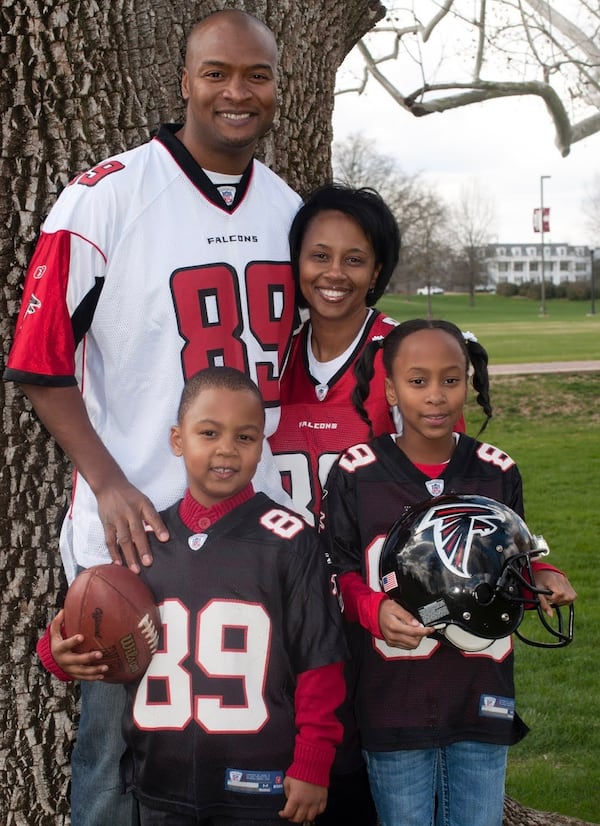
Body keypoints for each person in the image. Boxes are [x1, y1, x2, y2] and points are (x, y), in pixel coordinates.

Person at [4, 10, 300, 824]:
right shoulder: (105, 196)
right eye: (216, 73)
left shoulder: (288, 209)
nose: (237, 93)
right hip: (135, 536)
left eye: (257, 76)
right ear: (183, 82)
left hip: (248, 534)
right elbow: (38, 359)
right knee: (115, 756)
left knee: (244, 760)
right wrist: (106, 482)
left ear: (278, 86)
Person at [37, 367, 348, 826]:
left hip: (261, 787)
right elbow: (92, 623)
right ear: (177, 440)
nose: (227, 449)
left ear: (261, 445)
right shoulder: (143, 541)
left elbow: (321, 662)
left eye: (245, 437)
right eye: (209, 433)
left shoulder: (289, 540)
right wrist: (56, 653)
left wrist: (313, 761)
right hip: (162, 786)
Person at [321, 318, 577, 826]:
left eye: (451, 379)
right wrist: (373, 609)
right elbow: (337, 571)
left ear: (470, 381)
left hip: (480, 683)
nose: (436, 396)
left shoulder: (496, 469)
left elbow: (513, 556)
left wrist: (543, 573)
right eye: (418, 381)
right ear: (390, 387)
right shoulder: (355, 470)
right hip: (392, 692)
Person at [269, 183, 402, 529]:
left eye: (354, 260)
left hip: (378, 575)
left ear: (375, 272)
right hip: (289, 573)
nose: (335, 273)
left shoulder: (404, 355)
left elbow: (454, 476)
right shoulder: (271, 353)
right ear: (297, 260)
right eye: (320, 256)